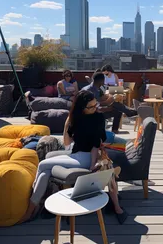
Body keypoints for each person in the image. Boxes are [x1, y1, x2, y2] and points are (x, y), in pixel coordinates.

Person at [19, 91, 128, 224]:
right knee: (45, 171)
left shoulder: (98, 118)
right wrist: (67, 123)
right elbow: (66, 143)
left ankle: (30, 210)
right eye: (91, 106)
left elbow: (95, 144)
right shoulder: (75, 118)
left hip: (86, 158)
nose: (96, 108)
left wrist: (92, 164)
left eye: (96, 105)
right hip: (75, 155)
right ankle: (32, 209)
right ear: (81, 107)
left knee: (42, 165)